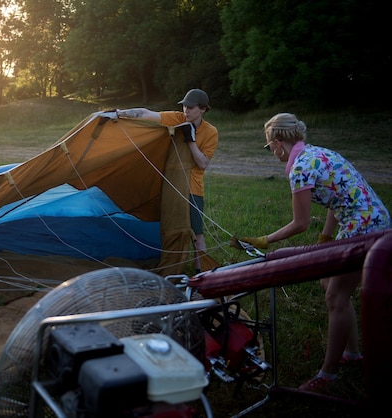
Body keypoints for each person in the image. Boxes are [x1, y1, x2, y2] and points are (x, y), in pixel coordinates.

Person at [233, 112, 391, 393]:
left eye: (270, 147)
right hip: (368, 219)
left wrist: (264, 240)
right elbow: (336, 196)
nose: (272, 153)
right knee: (328, 283)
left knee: (335, 295)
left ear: (279, 142)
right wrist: (326, 239)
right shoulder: (318, 153)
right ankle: (352, 354)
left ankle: (327, 375)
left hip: (365, 226)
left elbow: (300, 223)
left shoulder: (301, 168)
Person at [117, 89, 219, 276]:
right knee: (170, 228)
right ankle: (173, 262)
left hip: (193, 189)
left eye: (191, 107)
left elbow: (203, 163)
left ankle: (202, 275)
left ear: (203, 109)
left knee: (197, 235)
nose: (186, 110)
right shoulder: (177, 118)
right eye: (184, 106)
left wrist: (190, 140)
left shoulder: (211, 132)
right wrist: (118, 113)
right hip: (172, 187)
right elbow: (148, 114)